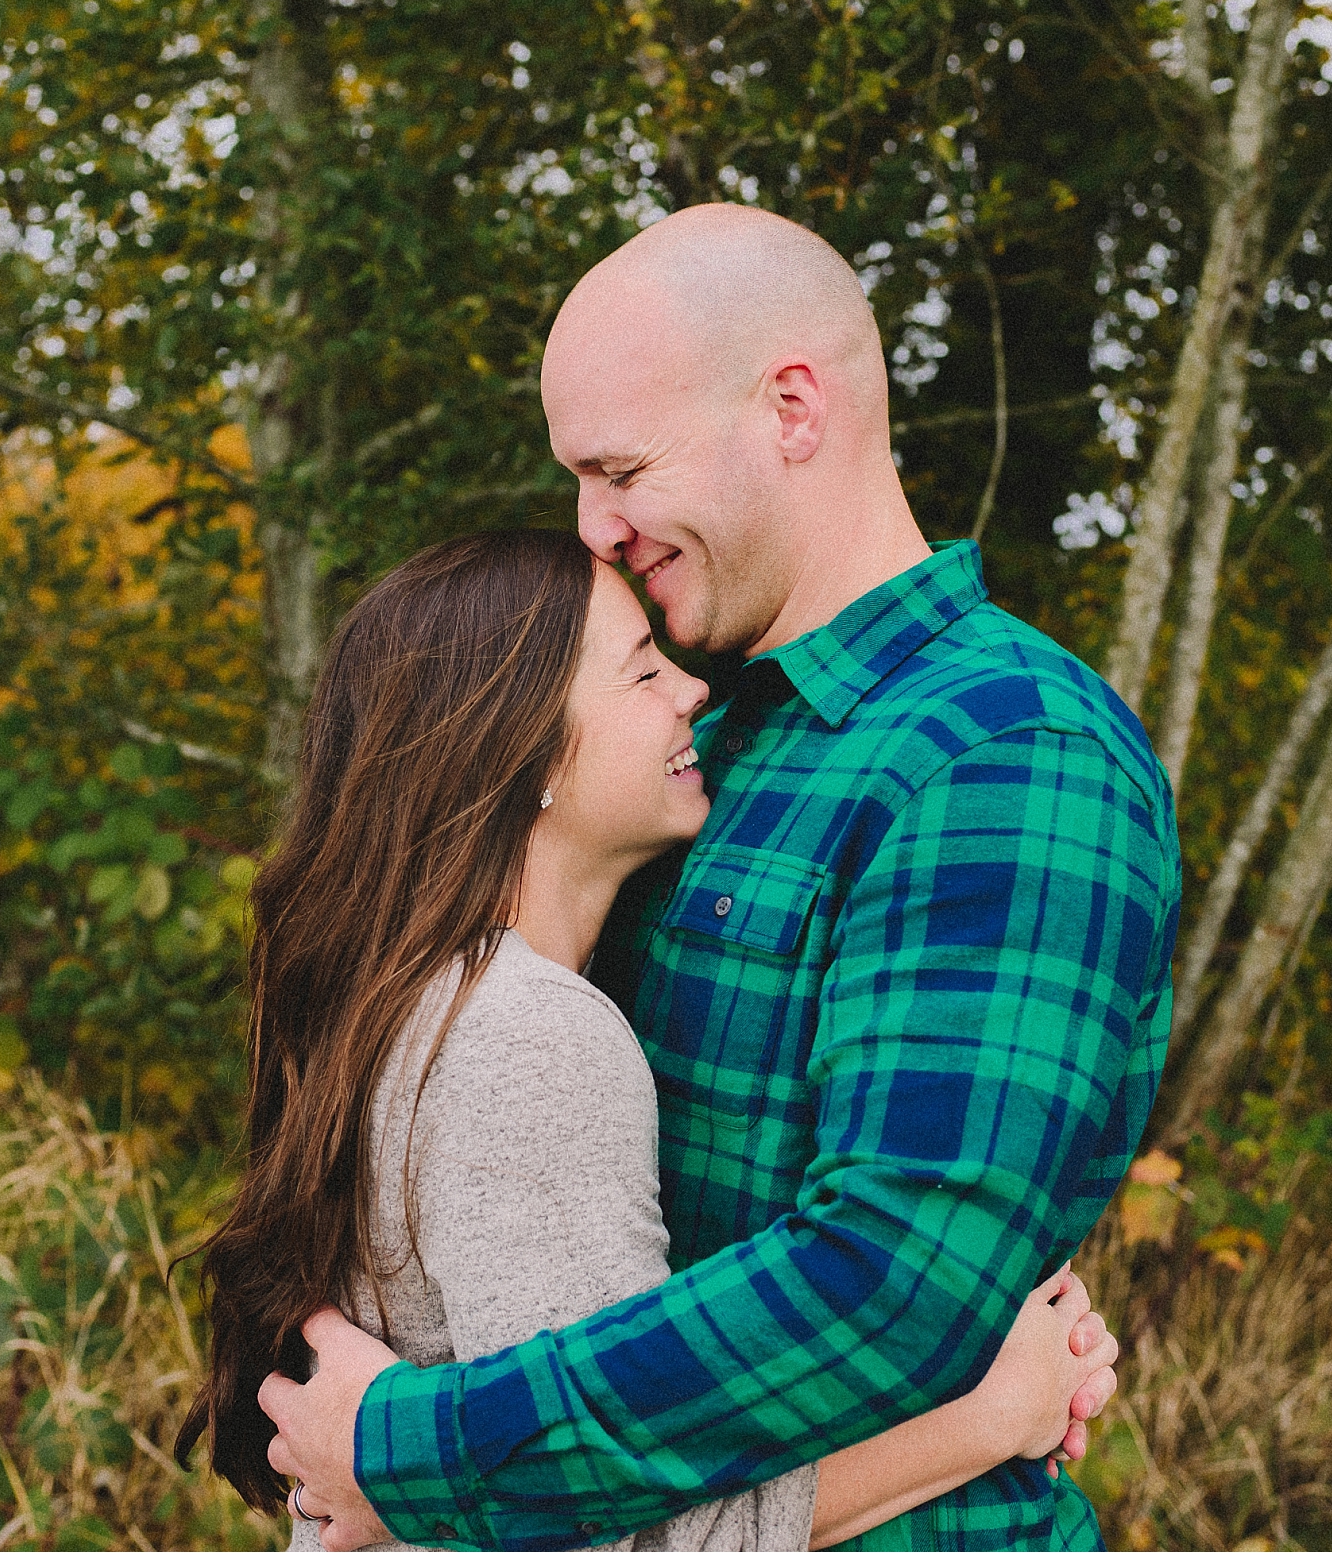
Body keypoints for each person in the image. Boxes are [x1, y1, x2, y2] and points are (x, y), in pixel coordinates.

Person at [259, 205, 1183, 1553]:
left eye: (620, 466)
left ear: (792, 410)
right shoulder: (701, 745)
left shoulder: (1003, 748)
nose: (593, 523)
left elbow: (893, 1277)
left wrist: (411, 1448)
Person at [179, 532, 1122, 1550]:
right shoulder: (528, 1038)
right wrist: (994, 1414)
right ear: (524, 753)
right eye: (640, 670)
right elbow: (609, 1536)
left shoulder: (427, 996)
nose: (693, 692)